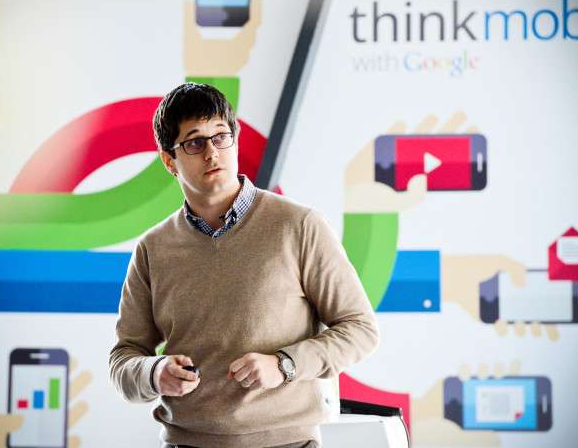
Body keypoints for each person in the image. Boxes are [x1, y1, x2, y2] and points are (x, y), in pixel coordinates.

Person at [109, 82, 380, 448]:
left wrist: (284, 365)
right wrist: (154, 372)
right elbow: (124, 359)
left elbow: (360, 330)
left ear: (235, 142)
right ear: (169, 161)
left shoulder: (300, 226)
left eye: (221, 137)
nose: (212, 152)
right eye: (194, 142)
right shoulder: (153, 248)